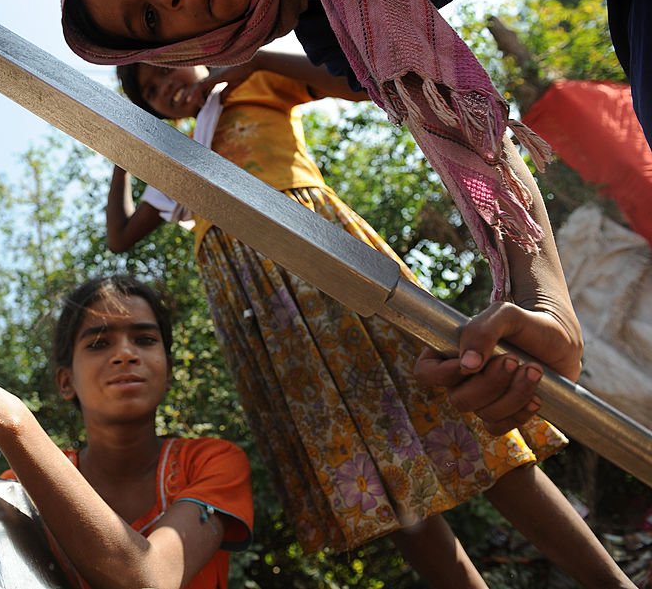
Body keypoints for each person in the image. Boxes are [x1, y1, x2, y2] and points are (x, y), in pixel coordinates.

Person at [58, 0, 616, 435]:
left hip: (318, 238)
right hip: (255, 281)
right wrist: (543, 303)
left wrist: (253, 63)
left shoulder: (249, 84)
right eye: (152, 19)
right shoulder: (188, 150)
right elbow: (437, 111)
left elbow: (365, 92)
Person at [106, 54, 636, 587]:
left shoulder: (253, 83)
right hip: (260, 308)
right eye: (151, 92)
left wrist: (256, 56)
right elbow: (121, 236)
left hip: (327, 252)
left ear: (196, 62)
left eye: (167, 70)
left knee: (465, 413)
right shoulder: (174, 161)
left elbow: (357, 84)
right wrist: (125, 149)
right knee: (378, 479)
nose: (165, 88)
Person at [0, 274, 254, 589]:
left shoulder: (212, 462)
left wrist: (7, 419)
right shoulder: (18, 494)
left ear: (167, 370)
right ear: (66, 382)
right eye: (99, 344)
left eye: (145, 339)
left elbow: (148, 578)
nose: (126, 354)